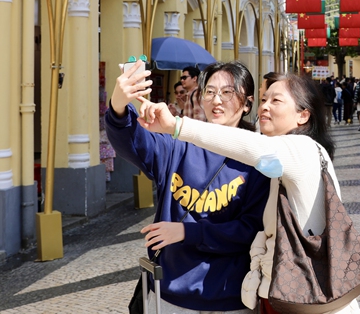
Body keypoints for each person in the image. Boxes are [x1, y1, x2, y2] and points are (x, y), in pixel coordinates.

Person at [106, 60, 269, 313]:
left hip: (230, 298)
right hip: (170, 297)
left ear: (247, 103)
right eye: (210, 92)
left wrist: (186, 232)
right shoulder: (178, 146)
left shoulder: (257, 159)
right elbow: (133, 143)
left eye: (227, 92)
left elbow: (251, 229)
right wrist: (118, 106)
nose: (217, 100)